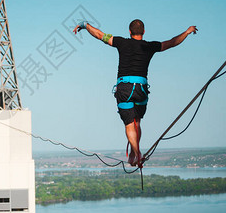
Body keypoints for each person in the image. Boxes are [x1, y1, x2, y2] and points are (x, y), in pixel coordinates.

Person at [73, 19, 197, 167]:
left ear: (129, 31)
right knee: (136, 122)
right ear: (144, 32)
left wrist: (84, 25)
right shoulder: (150, 46)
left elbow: (100, 35)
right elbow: (172, 42)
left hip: (125, 88)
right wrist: (187, 32)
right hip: (141, 89)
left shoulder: (121, 42)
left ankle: (137, 152)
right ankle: (133, 152)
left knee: (129, 124)